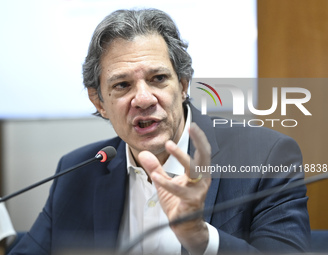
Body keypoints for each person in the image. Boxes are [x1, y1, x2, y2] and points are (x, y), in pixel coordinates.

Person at [9, 8, 310, 255]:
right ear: (98, 101)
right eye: (122, 85)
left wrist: (201, 237)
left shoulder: (265, 157)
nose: (143, 98)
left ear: (182, 85)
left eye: (158, 78)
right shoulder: (76, 173)